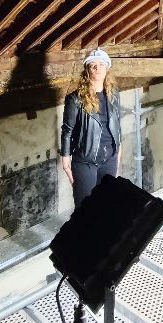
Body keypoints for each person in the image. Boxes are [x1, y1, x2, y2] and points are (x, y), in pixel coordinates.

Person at [60, 49, 122, 208]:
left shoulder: (114, 94)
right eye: (93, 65)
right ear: (87, 70)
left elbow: (117, 123)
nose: (97, 68)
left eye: (101, 64)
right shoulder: (75, 99)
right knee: (84, 209)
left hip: (110, 157)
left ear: (107, 68)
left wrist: (119, 149)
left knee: (105, 204)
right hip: (86, 161)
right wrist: (65, 157)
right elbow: (67, 129)